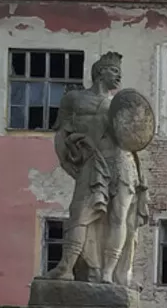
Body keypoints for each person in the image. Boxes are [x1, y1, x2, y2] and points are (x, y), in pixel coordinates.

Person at [46, 53, 147, 285]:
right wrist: (68, 160)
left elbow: (136, 137)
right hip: (93, 161)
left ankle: (109, 273)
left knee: (120, 217)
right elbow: (62, 133)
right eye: (114, 70)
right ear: (100, 72)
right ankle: (66, 267)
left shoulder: (120, 105)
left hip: (123, 162)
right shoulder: (74, 99)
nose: (119, 76)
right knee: (80, 213)